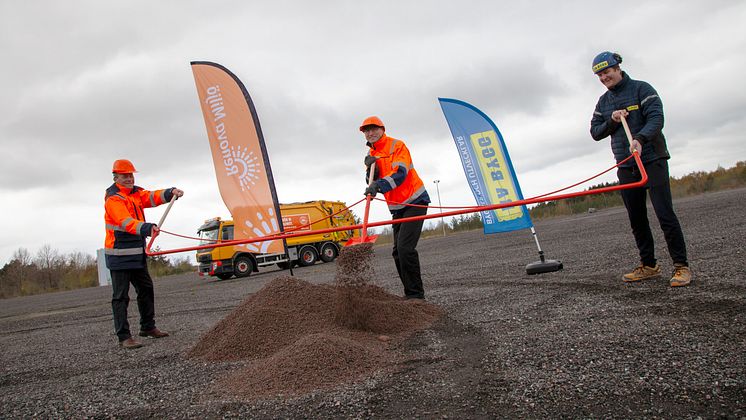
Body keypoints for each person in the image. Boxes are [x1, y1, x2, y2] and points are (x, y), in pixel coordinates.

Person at [590, 51, 692, 287]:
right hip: (626, 165)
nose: (604, 77)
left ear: (617, 68)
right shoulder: (603, 103)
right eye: (600, 75)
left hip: (651, 159)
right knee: (636, 218)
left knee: (665, 214)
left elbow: (656, 119)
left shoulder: (642, 89)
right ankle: (649, 265)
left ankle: (681, 267)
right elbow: (595, 132)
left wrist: (640, 139)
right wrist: (612, 121)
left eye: (607, 72)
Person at [104, 159, 184, 349]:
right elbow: (125, 222)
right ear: (116, 177)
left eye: (131, 175)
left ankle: (148, 327)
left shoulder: (135, 193)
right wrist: (147, 228)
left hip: (137, 253)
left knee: (146, 289)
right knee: (121, 297)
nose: (129, 179)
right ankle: (124, 337)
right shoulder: (114, 198)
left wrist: (169, 192)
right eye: (125, 176)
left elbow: (151, 197)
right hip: (119, 256)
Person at [359, 116, 431, 299]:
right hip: (397, 207)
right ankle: (410, 294)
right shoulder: (372, 156)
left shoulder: (396, 146)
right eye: (366, 130)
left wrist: (378, 186)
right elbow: (373, 181)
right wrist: (370, 174)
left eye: (373, 128)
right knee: (397, 253)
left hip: (414, 200)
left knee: (405, 249)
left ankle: (416, 296)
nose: (370, 132)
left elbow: (400, 174)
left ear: (382, 129)